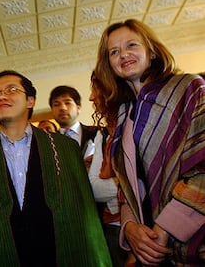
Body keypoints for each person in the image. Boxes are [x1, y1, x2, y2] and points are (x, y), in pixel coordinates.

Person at [0, 70, 112, 266]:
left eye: (11, 89)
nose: (1, 96)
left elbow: (85, 216)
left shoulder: (65, 148)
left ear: (30, 101)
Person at [95, 18, 205, 266]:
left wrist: (165, 229)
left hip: (193, 243)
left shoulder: (190, 88)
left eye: (131, 45)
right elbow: (126, 189)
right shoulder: (124, 114)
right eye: (114, 52)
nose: (123, 54)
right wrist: (130, 227)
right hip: (153, 249)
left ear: (152, 51)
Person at [88, 71, 131, 267]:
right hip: (113, 230)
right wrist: (127, 183)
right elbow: (95, 189)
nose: (91, 97)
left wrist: (125, 183)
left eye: (95, 90)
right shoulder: (103, 135)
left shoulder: (136, 124)